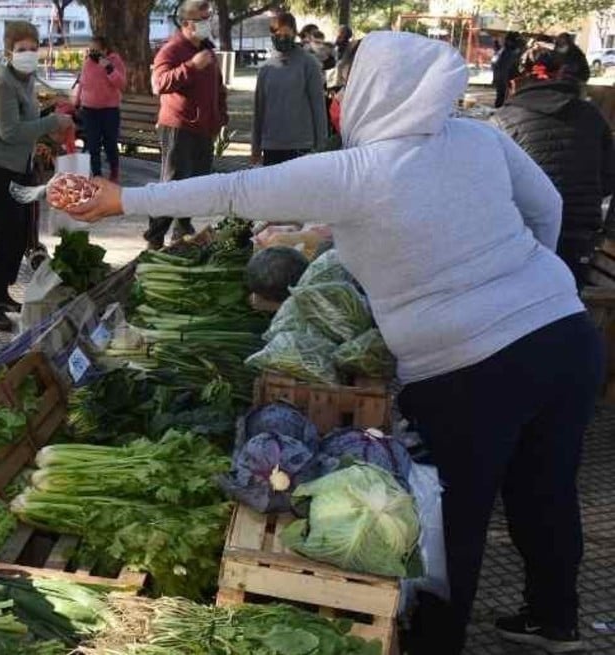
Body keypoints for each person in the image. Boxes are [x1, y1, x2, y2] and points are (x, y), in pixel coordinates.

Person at [65, 32, 599, 655]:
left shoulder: (357, 173)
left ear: (374, 91)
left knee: (458, 513)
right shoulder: (479, 138)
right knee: (547, 486)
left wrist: (125, 199)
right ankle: (554, 621)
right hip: (566, 336)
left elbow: (234, 191)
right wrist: (531, 279)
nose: (342, 96)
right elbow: (549, 206)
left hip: (470, 369)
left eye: (347, 85)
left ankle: (436, 644)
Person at [0, 21, 73, 331]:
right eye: (21, 49)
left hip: (20, 164)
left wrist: (49, 125)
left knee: (20, 236)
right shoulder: (1, 81)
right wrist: (52, 121)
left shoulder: (26, 78)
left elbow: (26, 120)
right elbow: (10, 131)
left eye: (33, 48)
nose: (28, 54)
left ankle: (3, 293)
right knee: (6, 233)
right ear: (8, 51)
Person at [497, 50, 615, 289]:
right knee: (567, 301)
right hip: (578, 232)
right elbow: (610, 175)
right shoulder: (591, 114)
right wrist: (582, 196)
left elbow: (493, 184)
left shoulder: (504, 119)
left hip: (525, 231)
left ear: (515, 82)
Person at [144, 0, 228, 250]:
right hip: (178, 128)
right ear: (186, 22)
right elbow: (159, 84)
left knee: (196, 184)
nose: (207, 22)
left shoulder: (207, 50)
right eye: (202, 19)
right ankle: (154, 237)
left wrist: (221, 117)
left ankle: (182, 232)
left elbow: (218, 87)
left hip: (204, 129)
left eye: (209, 17)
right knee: (173, 185)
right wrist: (191, 67)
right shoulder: (172, 50)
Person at [251, 11, 326, 167]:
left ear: (294, 33)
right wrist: (255, 147)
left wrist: (321, 146)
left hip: (301, 145)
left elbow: (318, 106)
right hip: (271, 145)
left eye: (286, 33)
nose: (282, 38)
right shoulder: (265, 69)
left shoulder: (309, 64)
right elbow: (259, 110)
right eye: (278, 34)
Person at [75, 35, 126, 180]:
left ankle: (114, 171)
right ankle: (97, 174)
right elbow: (82, 83)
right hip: (89, 110)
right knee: (93, 144)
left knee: (110, 142)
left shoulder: (114, 61)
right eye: (91, 50)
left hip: (109, 109)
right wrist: (77, 102)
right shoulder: (87, 63)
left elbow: (121, 84)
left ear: (105, 50)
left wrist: (108, 68)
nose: (93, 54)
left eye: (96, 51)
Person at [493, 32, 524, 108]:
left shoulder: (506, 51)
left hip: (504, 80)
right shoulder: (511, 51)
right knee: (504, 100)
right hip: (506, 80)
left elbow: (496, 65)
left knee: (502, 99)